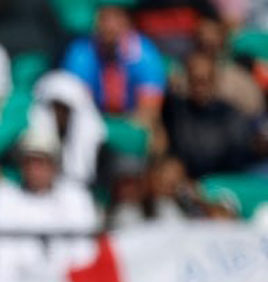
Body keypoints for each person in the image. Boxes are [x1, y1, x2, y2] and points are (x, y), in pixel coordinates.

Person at [0, 125, 100, 278]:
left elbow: (85, 253)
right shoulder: (3, 198)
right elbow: (0, 257)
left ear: (54, 165)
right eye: (28, 162)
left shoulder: (75, 198)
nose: (33, 169)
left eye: (40, 162)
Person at [62, 0, 165, 128]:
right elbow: (76, 105)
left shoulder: (146, 53)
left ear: (129, 21)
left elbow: (148, 111)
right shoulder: (80, 52)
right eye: (104, 17)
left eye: (116, 17)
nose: (109, 25)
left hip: (132, 124)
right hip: (91, 125)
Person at [162, 51, 260, 178]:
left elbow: (237, 159)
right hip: (185, 180)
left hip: (221, 182)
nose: (199, 87)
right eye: (194, 80)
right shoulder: (175, 109)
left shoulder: (231, 115)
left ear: (214, 80)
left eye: (204, 81)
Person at [28, 70, 106, 185]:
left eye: (65, 109)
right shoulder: (27, 136)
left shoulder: (96, 139)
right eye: (56, 107)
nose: (59, 114)